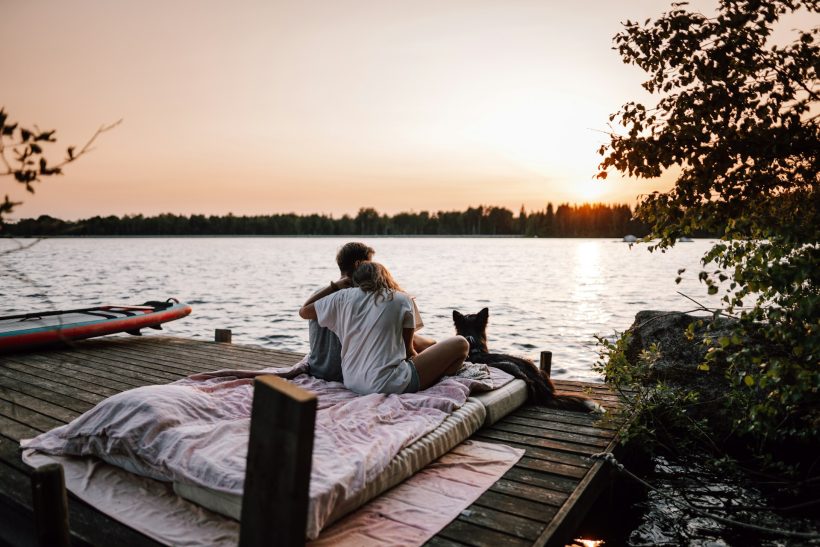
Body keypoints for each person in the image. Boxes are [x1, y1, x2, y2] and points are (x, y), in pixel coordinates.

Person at [299, 262, 469, 395]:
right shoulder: (401, 299)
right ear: (386, 277)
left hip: (352, 381)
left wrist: (335, 286)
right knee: (461, 343)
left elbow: (304, 311)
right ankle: (439, 380)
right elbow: (409, 352)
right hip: (386, 384)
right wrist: (430, 367)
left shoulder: (341, 297)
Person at [305, 242, 435, 382]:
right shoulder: (359, 297)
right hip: (343, 372)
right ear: (358, 264)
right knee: (418, 341)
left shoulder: (319, 295)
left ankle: (435, 347)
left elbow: (304, 311)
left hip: (317, 369)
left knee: (416, 341)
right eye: (370, 263)